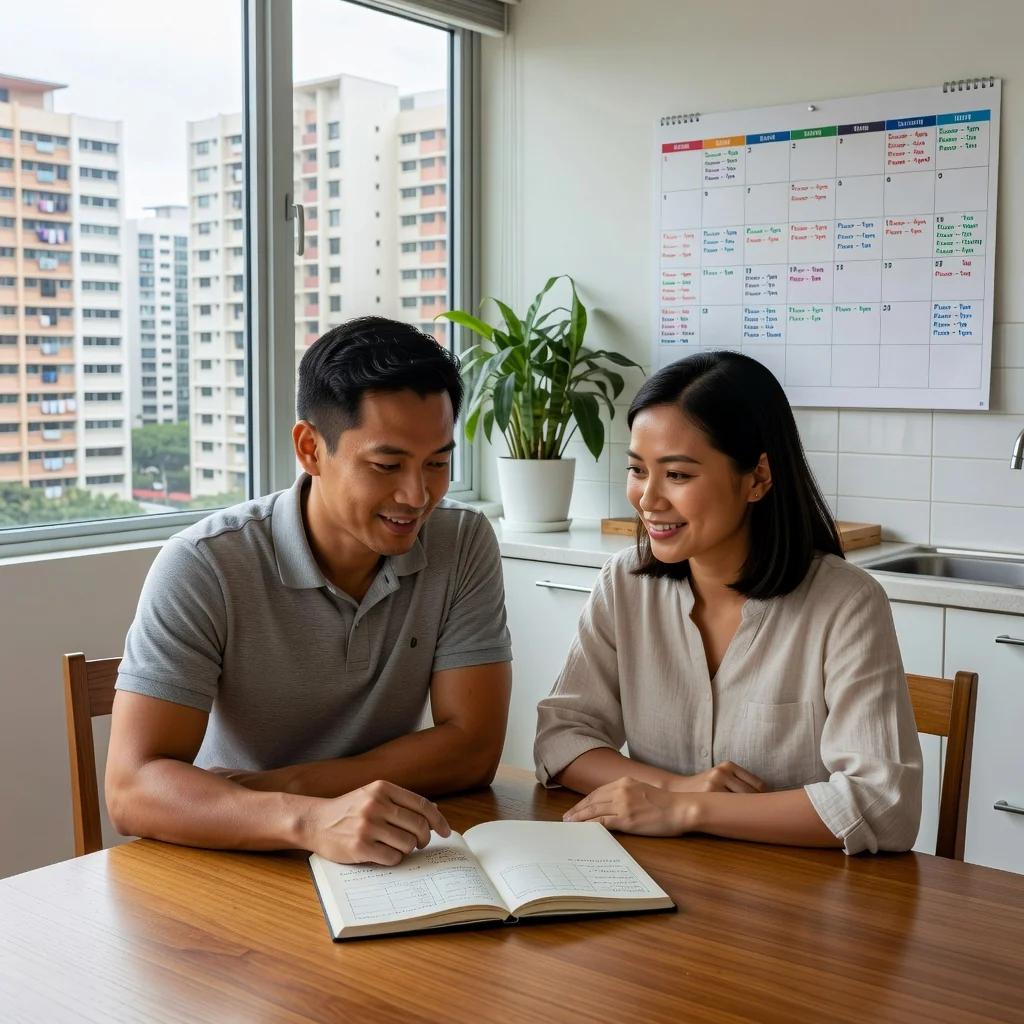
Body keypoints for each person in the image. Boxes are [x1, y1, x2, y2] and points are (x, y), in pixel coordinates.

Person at [106, 317, 512, 866]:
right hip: (235, 855)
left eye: (437, 463)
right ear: (310, 448)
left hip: (384, 849)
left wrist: (293, 785)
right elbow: (131, 791)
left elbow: (473, 748)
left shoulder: (461, 541)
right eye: (387, 464)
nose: (418, 495)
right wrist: (311, 818)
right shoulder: (205, 564)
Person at [534, 351, 922, 854]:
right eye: (637, 469)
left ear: (758, 477)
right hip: (655, 880)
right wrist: (678, 787)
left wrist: (685, 810)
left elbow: (882, 804)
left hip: (800, 901)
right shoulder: (624, 584)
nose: (648, 499)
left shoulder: (845, 603)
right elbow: (563, 737)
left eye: (677, 475)